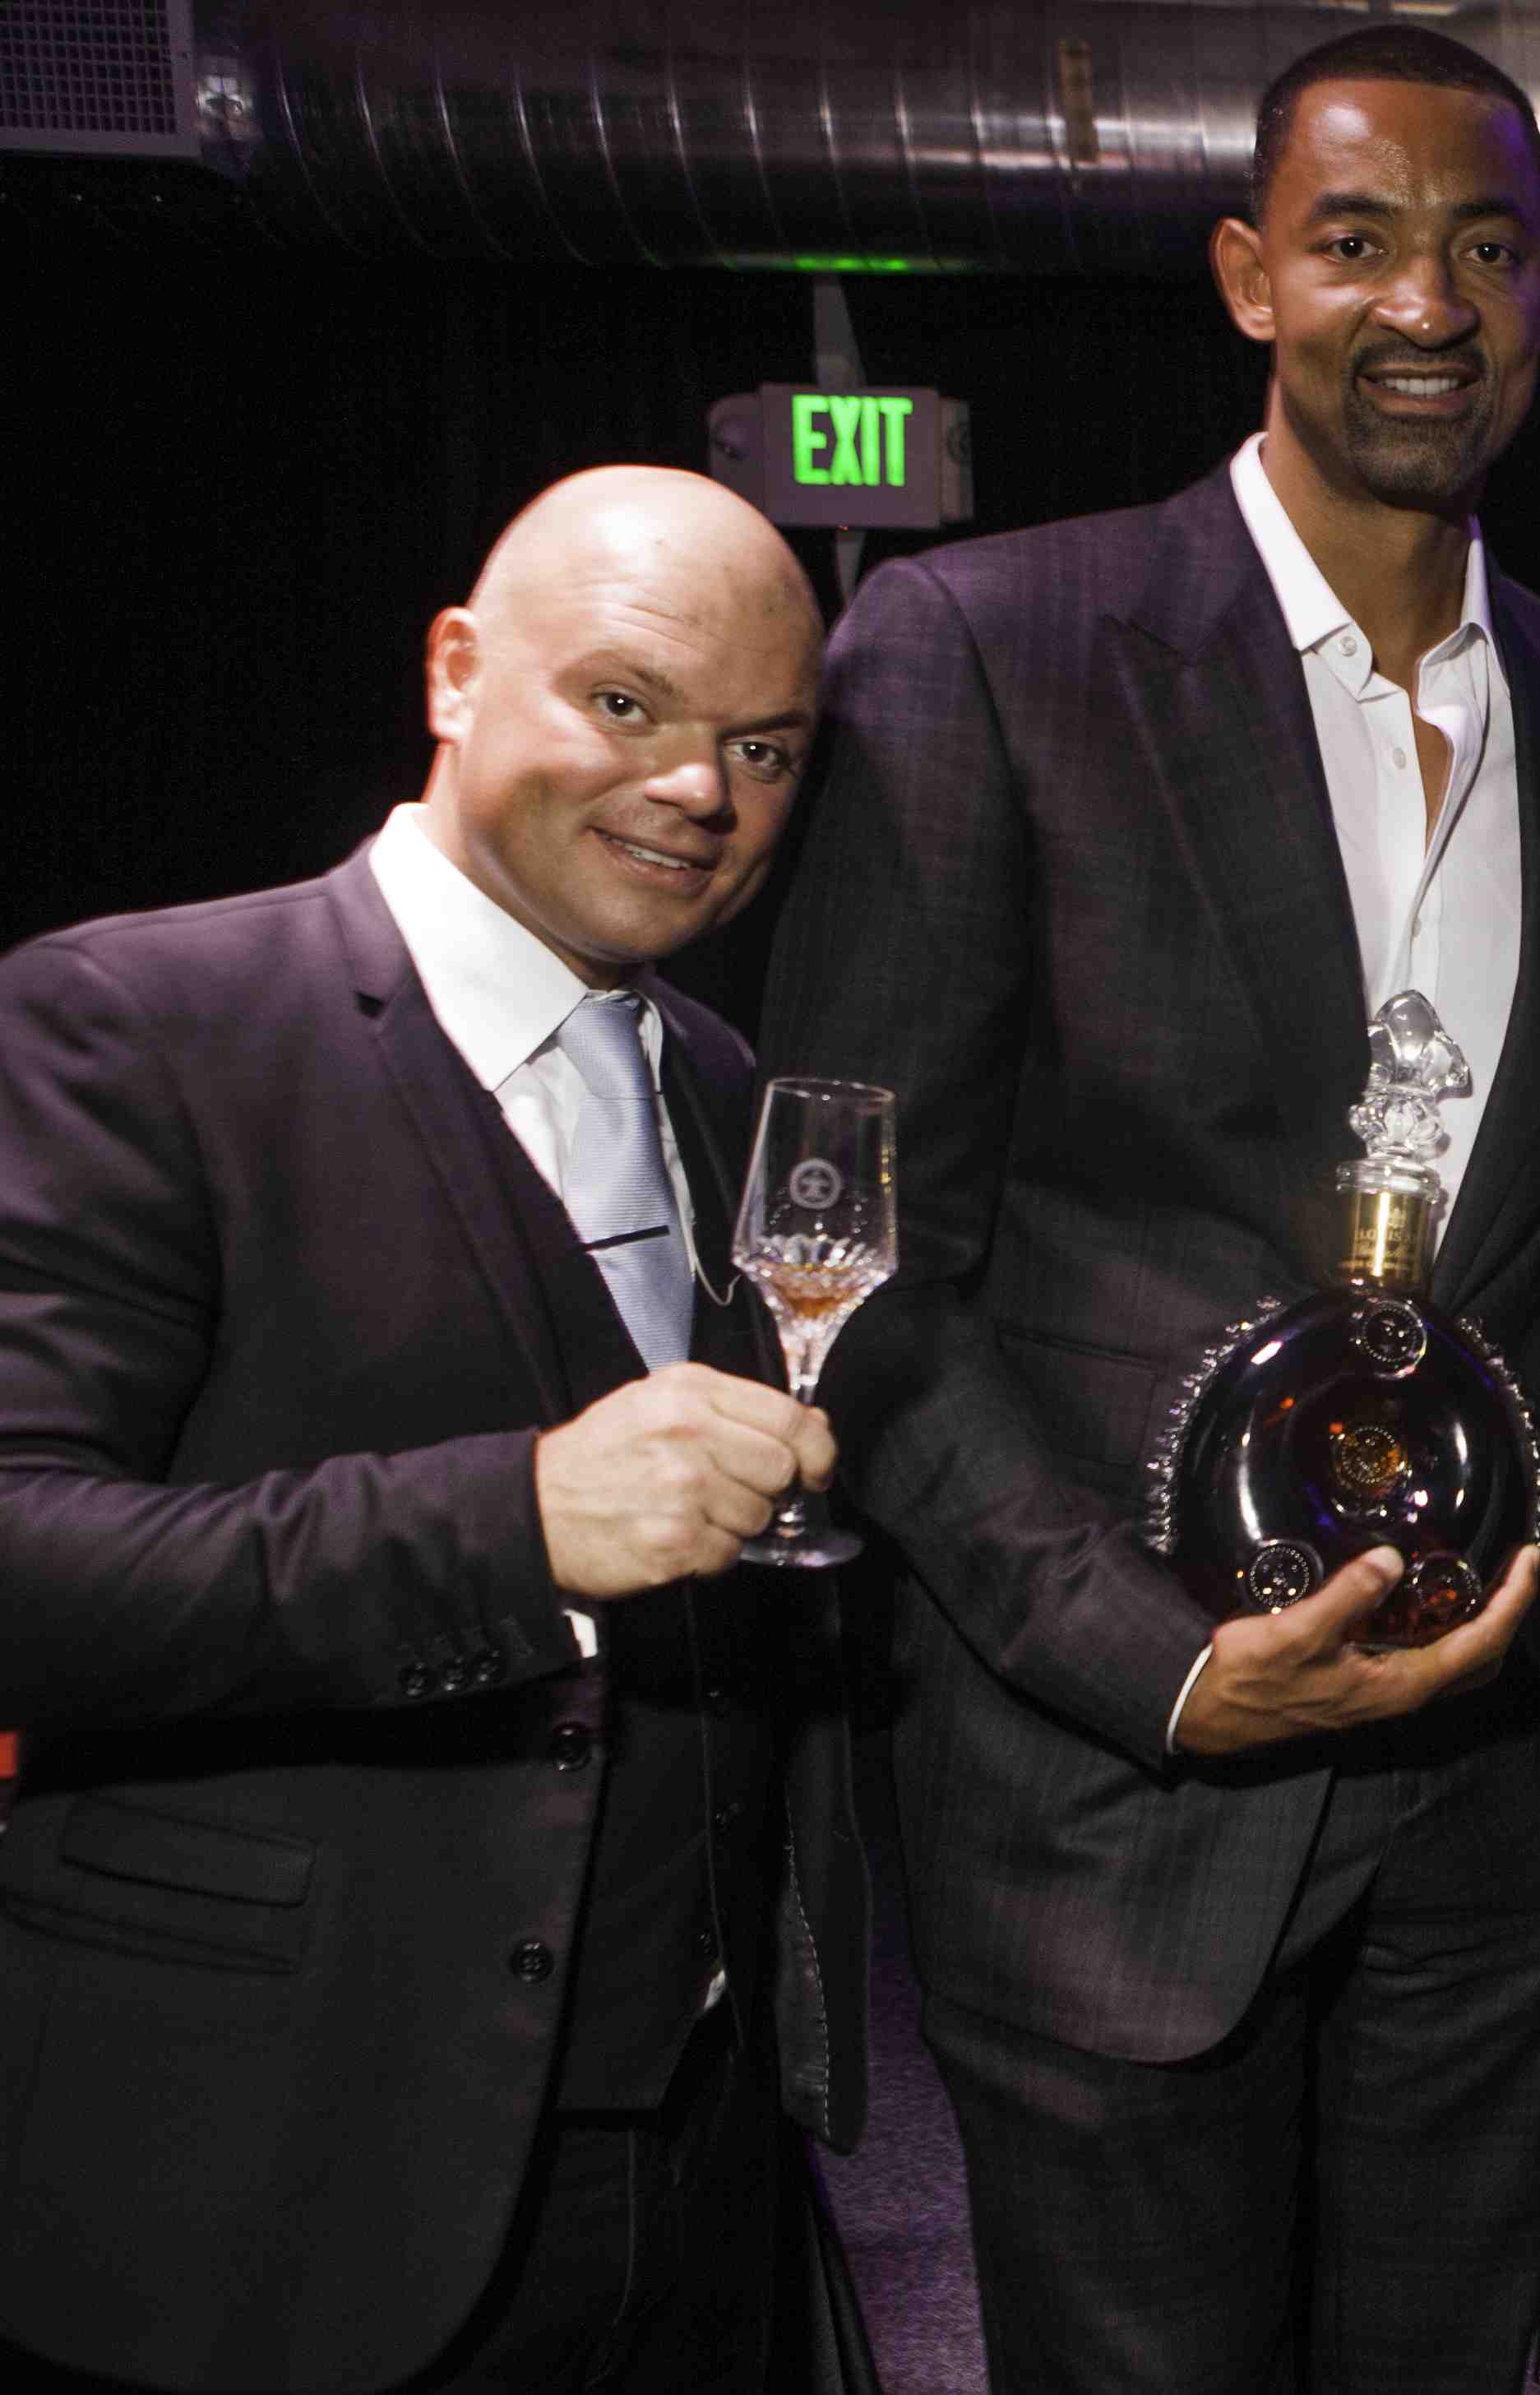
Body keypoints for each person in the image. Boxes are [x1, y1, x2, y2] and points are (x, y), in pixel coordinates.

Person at [754, 25, 1540, 2392]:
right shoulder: (982, 649)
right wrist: (1151, 1662)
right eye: (1357, 242)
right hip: (1117, 1796)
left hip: (1486, 1814)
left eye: (1484, 249)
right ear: (1251, 277)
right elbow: (842, 1267)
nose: (1424, 304)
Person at [0, 467, 867, 2393]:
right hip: (269, 2169)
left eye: (764, 748)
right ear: (456, 671)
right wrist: (516, 1524)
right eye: (625, 703)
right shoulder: (133, 1020)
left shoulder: (725, 1083)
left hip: (691, 2162)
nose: (698, 790)